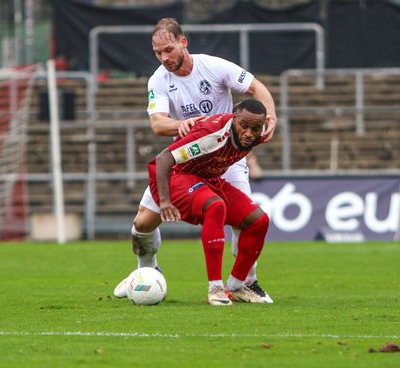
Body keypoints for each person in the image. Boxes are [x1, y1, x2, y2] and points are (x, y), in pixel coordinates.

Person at [113, 17, 277, 303]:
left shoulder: (213, 66)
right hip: (186, 159)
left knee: (246, 220)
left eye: (169, 50)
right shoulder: (159, 80)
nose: (164, 58)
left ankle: (245, 283)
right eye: (158, 53)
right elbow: (157, 124)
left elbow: (256, 88)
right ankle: (147, 272)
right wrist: (183, 124)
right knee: (142, 225)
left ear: (183, 42)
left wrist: (271, 115)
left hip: (226, 159)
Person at [150, 99, 270, 305]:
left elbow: (264, 123)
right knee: (215, 206)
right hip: (177, 176)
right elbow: (163, 159)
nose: (249, 133)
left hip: (208, 178)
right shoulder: (212, 135)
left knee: (259, 220)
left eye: (255, 128)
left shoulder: (260, 133)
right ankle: (215, 289)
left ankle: (236, 285)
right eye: (244, 126)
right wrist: (164, 201)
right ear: (233, 119)